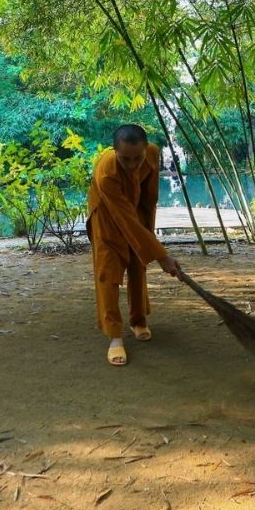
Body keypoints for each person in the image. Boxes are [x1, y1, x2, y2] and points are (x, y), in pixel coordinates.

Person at [86, 124, 180, 366]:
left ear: (145, 148)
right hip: (107, 218)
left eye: (137, 158)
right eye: (125, 159)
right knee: (109, 274)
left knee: (139, 266)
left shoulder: (152, 153)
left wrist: (149, 233)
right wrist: (162, 255)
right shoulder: (106, 172)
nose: (132, 164)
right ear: (115, 151)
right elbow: (123, 217)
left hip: (137, 211)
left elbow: (151, 196)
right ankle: (114, 336)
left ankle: (138, 321)